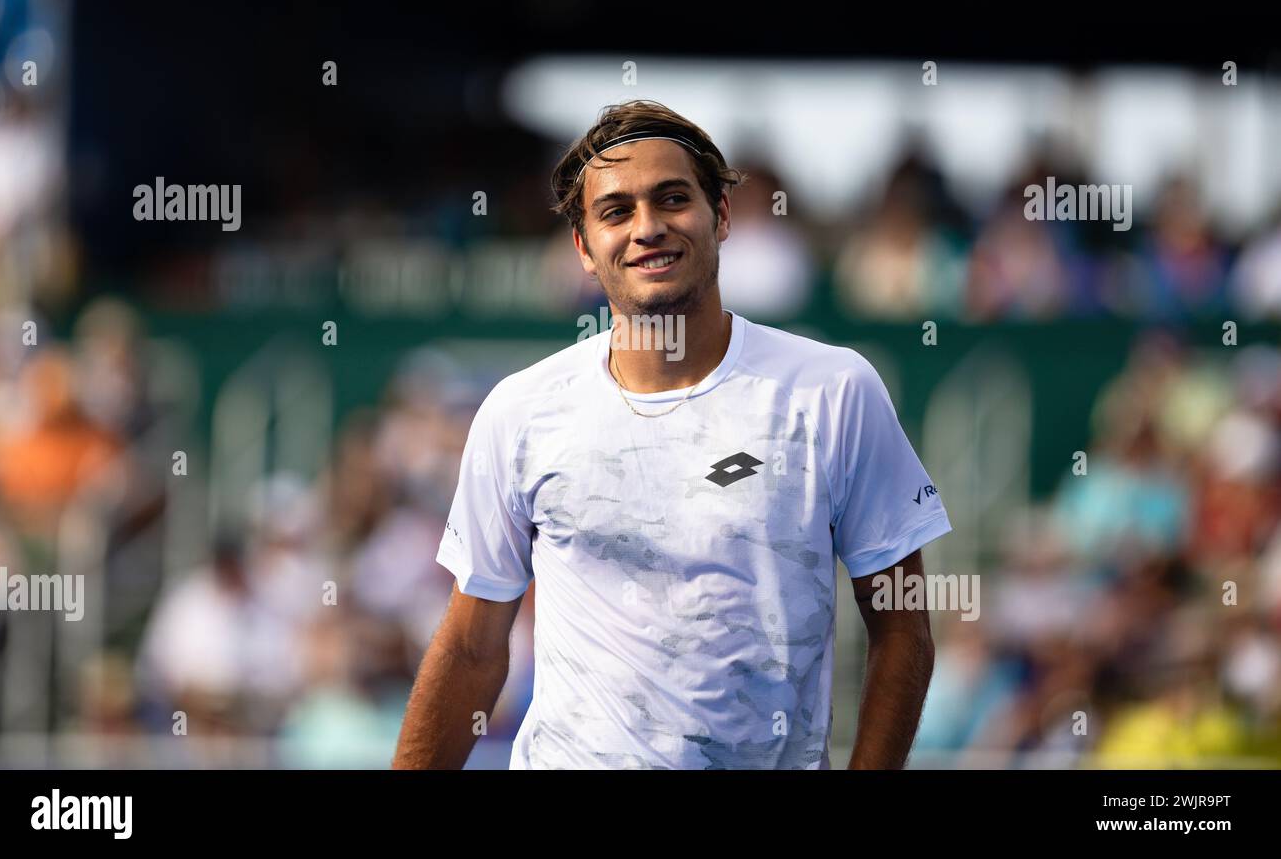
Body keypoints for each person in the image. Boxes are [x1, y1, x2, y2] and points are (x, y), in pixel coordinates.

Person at [392, 100, 952, 769]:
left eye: (672, 199)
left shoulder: (834, 392)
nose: (647, 228)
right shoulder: (518, 412)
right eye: (616, 211)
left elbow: (901, 623)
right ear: (583, 247)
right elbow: (471, 649)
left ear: (721, 215)